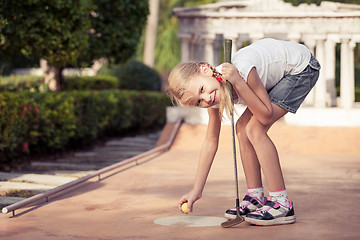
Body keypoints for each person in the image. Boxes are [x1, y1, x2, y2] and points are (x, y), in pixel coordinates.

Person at [167, 38, 320, 226]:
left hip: (301, 69)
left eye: (202, 89)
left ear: (206, 70)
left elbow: (265, 116)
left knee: (255, 129)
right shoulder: (213, 91)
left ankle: (282, 204)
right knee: (241, 128)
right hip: (278, 75)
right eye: (198, 102)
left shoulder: (242, 70)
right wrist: (196, 190)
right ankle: (256, 197)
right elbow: (210, 142)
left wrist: (238, 81)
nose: (206, 99)